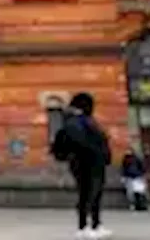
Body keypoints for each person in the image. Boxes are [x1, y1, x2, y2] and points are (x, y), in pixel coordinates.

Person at [51, 92, 112, 240]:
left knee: (95, 194)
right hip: (85, 163)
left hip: (94, 163)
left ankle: (96, 224)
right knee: (87, 194)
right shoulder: (75, 123)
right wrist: (94, 153)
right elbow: (81, 143)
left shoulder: (86, 121)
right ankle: (83, 226)